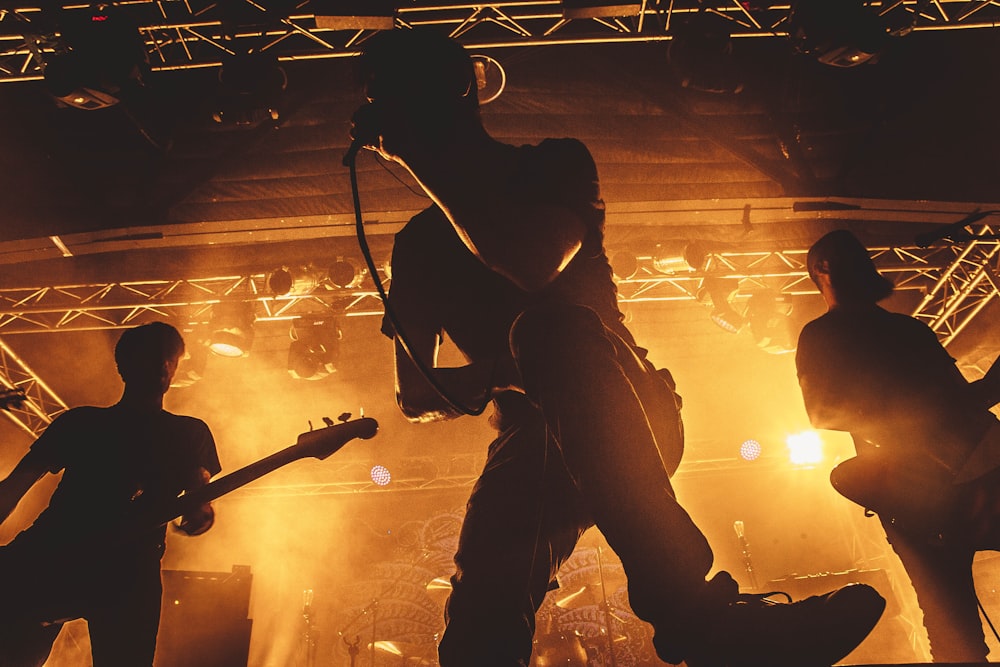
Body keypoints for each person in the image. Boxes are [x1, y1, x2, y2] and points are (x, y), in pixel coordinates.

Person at [349, 28, 886, 667]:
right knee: (479, 614)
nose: (390, 114)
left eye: (398, 96)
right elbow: (416, 395)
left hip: (630, 401)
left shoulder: (552, 165)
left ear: (458, 88)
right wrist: (514, 375)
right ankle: (709, 625)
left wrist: (416, 157)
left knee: (550, 329)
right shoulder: (416, 245)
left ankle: (694, 612)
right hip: (527, 441)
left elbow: (532, 260)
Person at [796, 229, 1000, 662]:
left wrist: (983, 393)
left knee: (952, 631)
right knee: (951, 632)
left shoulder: (903, 329)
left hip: (932, 491)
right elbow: (823, 414)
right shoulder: (827, 336)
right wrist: (921, 422)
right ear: (824, 270)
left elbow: (960, 397)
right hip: (936, 488)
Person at [0, 321, 222, 667]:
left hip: (129, 570)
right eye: (154, 358)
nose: (164, 368)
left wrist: (201, 513)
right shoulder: (80, 423)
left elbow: (200, 494)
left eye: (171, 360)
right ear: (126, 366)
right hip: (51, 554)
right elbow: (14, 487)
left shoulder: (190, 433)